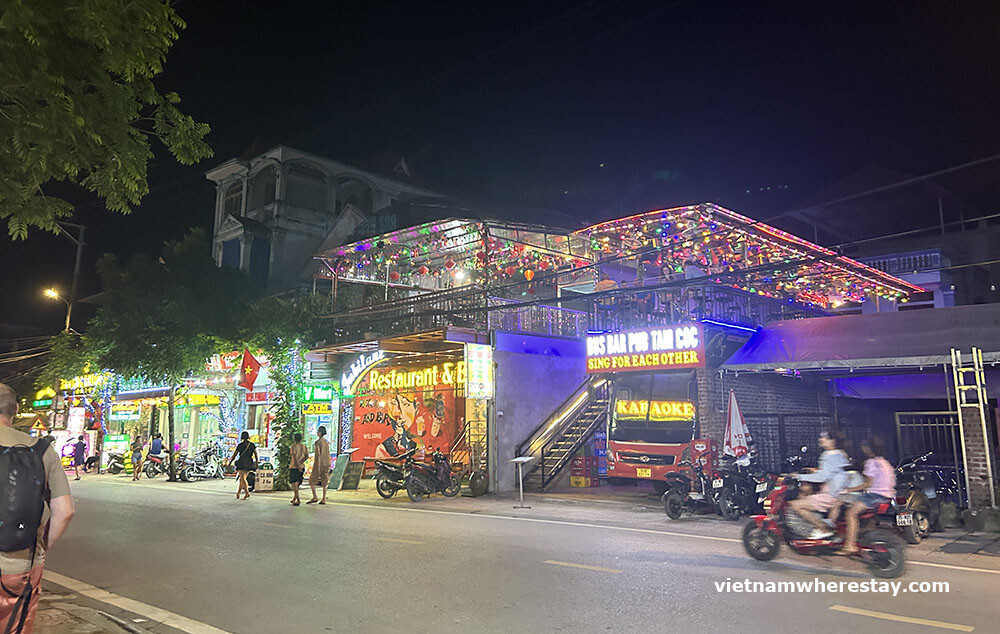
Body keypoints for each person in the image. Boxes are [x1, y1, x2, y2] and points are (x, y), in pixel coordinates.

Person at [0, 383, 75, 633]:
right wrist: (41, 548)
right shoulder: (43, 451)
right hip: (21, 567)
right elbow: (65, 511)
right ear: (16, 409)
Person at [836, 437, 897, 555]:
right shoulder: (885, 462)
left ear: (869, 448)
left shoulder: (870, 462)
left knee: (850, 514)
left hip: (874, 496)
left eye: (864, 446)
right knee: (867, 515)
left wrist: (848, 490)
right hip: (887, 496)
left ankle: (849, 545)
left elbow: (867, 484)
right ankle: (867, 536)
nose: (862, 449)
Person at [788, 430, 850, 539]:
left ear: (833, 441)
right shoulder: (840, 454)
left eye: (824, 438)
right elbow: (830, 472)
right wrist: (814, 471)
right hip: (838, 493)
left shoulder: (829, 455)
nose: (821, 439)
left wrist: (799, 476)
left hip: (830, 495)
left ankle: (822, 528)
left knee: (794, 505)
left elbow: (822, 477)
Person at [228, 432, 257, 500]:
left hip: (242, 462)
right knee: (242, 478)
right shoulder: (252, 445)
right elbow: (255, 453)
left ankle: (247, 493)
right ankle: (238, 493)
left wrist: (230, 461)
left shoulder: (240, 445)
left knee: (243, 479)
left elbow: (235, 454)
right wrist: (256, 462)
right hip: (249, 462)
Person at [307, 426, 332, 505]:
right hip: (327, 463)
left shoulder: (318, 443)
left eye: (318, 431)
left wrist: (317, 466)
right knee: (325, 481)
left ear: (320, 433)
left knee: (312, 480)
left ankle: (315, 496)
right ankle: (324, 498)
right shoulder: (327, 442)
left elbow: (318, 455)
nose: (317, 433)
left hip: (320, 463)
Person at [288, 433, 309, 506]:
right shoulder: (304, 446)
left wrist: (298, 465)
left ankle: (298, 499)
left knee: (294, 483)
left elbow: (294, 457)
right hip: (302, 466)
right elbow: (307, 456)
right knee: (297, 483)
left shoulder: (293, 447)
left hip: (294, 466)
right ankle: (294, 498)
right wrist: (301, 463)